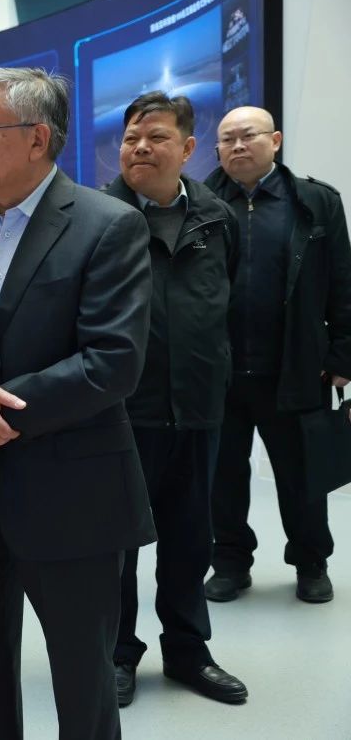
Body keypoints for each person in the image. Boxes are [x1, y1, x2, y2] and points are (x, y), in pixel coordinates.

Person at [0, 67, 155, 739]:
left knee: (83, 684)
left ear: (37, 138)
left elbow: (112, 362)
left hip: (71, 494)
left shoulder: (108, 226)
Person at [102, 92, 247, 707]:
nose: (140, 147)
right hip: (121, 415)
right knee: (116, 546)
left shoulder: (218, 219)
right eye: (131, 137)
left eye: (156, 137)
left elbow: (228, 304)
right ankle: (117, 654)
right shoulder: (98, 219)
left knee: (190, 541)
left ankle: (188, 651)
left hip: (197, 408)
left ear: (187, 148)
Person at [203, 105, 351, 605]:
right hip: (219, 372)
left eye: (248, 135)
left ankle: (311, 563)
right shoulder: (199, 202)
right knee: (222, 477)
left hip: (295, 365)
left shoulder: (315, 201)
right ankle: (229, 563)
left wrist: (344, 355)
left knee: (302, 475)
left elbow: (342, 282)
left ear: (276, 140)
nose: (237, 146)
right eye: (227, 139)